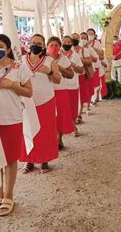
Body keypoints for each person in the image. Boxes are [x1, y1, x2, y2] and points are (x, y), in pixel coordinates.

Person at [0, 34, 33, 217]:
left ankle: (9, 195)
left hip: (12, 118)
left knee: (10, 159)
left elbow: (29, 92)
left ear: (7, 49)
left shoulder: (19, 68)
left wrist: (12, 84)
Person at [20, 34, 62, 174]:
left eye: (39, 43)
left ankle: (44, 160)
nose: (35, 45)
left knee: (45, 132)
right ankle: (29, 160)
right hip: (27, 100)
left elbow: (58, 80)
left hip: (45, 100)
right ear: (29, 43)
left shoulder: (49, 60)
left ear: (43, 46)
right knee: (28, 129)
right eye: (33, 42)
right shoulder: (21, 60)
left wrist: (49, 71)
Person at [47, 37, 75, 149]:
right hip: (47, 91)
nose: (54, 47)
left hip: (61, 90)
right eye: (51, 45)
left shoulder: (64, 59)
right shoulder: (44, 59)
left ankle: (59, 139)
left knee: (60, 115)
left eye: (56, 45)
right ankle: (50, 138)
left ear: (60, 47)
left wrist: (58, 68)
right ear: (47, 47)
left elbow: (71, 74)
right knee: (49, 116)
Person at [61, 35, 84, 135]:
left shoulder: (75, 56)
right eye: (64, 42)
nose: (66, 44)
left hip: (72, 85)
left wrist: (72, 65)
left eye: (68, 42)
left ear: (71, 44)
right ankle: (63, 128)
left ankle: (73, 125)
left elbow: (81, 70)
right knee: (62, 108)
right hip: (59, 86)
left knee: (73, 106)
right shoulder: (58, 55)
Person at [72, 32, 93, 122]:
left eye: (77, 38)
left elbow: (89, 62)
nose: (75, 39)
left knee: (81, 96)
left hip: (81, 75)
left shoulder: (84, 50)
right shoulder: (66, 50)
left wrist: (80, 59)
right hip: (71, 77)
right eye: (73, 38)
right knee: (74, 96)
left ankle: (79, 115)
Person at [87, 28, 104, 105]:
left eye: (91, 33)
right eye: (88, 33)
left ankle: (94, 99)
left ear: (94, 35)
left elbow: (102, 53)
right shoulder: (84, 43)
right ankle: (89, 99)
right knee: (89, 83)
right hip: (87, 66)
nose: (90, 35)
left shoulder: (97, 42)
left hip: (96, 65)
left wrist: (95, 49)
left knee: (96, 83)